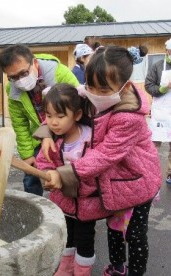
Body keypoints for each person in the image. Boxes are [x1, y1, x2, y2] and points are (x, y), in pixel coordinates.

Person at [35, 46, 162, 276]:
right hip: (113, 185)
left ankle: (135, 272)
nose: (94, 92)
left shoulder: (128, 116)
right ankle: (116, 268)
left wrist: (63, 173)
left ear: (123, 86)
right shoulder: (91, 95)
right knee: (114, 229)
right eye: (90, 85)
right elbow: (60, 105)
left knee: (133, 235)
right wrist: (46, 133)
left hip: (137, 182)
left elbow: (105, 155)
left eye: (103, 89)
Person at [35, 83, 103, 275]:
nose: (53, 122)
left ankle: (82, 271)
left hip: (87, 203)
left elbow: (97, 167)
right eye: (49, 116)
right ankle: (65, 268)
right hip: (63, 200)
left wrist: (67, 177)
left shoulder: (91, 137)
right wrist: (48, 176)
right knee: (66, 236)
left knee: (84, 239)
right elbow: (43, 162)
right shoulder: (53, 140)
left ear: (78, 115)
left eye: (60, 116)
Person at [0, 43, 79, 196]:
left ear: (34, 63)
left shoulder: (59, 74)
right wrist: (27, 154)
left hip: (69, 132)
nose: (20, 80)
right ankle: (34, 210)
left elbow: (79, 104)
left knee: (70, 173)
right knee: (31, 178)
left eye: (23, 73)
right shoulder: (12, 89)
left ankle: (71, 208)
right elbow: (20, 124)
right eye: (12, 77)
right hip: (40, 136)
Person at [145, 38, 171, 185]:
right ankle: (150, 172)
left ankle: (170, 174)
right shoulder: (158, 66)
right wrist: (162, 89)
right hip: (161, 111)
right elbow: (148, 85)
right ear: (167, 50)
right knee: (154, 144)